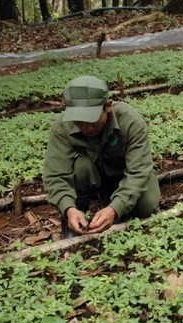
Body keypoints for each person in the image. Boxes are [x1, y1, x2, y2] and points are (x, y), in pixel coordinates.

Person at [43, 75, 160, 238]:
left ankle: (119, 209)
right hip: (95, 177)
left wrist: (116, 208)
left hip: (125, 174)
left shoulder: (130, 121)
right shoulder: (61, 128)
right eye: (79, 121)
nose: (87, 127)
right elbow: (55, 176)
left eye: (92, 119)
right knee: (81, 166)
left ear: (108, 106)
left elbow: (139, 171)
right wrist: (68, 208)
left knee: (147, 205)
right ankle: (78, 218)